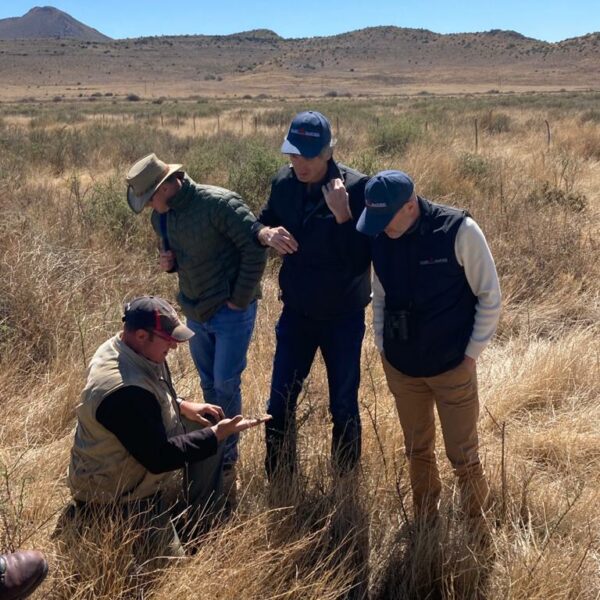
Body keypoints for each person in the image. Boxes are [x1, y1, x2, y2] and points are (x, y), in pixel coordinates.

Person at [67, 296, 269, 560]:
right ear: (141, 335)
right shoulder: (123, 391)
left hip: (134, 458)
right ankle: (106, 522)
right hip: (116, 498)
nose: (174, 346)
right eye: (168, 339)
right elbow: (159, 457)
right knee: (174, 569)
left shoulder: (124, 347)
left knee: (204, 423)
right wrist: (216, 435)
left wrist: (183, 405)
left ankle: (204, 519)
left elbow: (148, 404)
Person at [357, 170, 501, 523]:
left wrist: (470, 356)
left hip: (453, 366)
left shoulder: (458, 230)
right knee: (416, 450)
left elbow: (490, 296)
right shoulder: (379, 233)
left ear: (409, 206)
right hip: (402, 367)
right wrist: (382, 347)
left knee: (463, 456)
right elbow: (381, 295)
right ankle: (425, 520)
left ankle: (476, 524)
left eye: (385, 218)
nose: (381, 227)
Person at [125, 155, 267, 498]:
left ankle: (227, 455)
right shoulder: (163, 217)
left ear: (166, 186)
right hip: (195, 310)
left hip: (231, 311)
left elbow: (255, 250)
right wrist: (168, 263)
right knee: (207, 383)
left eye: (151, 199)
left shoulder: (219, 203)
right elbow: (173, 253)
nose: (150, 208)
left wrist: (239, 298)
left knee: (225, 381)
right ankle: (214, 444)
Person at [254, 111, 371, 478]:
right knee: (279, 402)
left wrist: (343, 217)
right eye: (293, 154)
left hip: (343, 317)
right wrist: (266, 234)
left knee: (343, 404)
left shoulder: (355, 188)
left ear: (328, 151)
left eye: (308, 155)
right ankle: (279, 479)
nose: (299, 163)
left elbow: (364, 258)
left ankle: (345, 480)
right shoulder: (283, 183)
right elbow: (261, 220)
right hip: (297, 313)